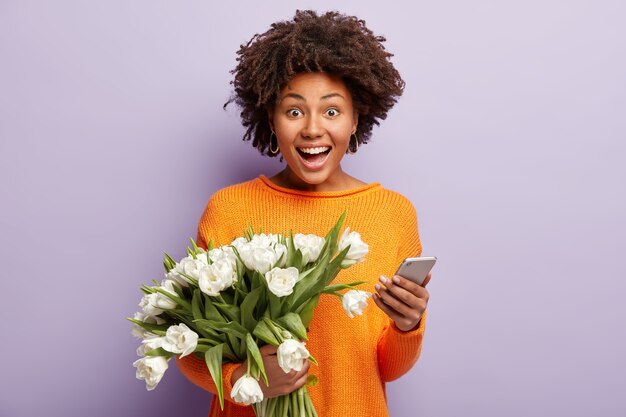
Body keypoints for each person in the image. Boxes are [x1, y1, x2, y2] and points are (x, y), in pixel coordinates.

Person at [176, 10, 431, 417]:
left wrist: (407, 325)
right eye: (294, 111)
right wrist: (244, 379)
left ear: (355, 119)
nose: (313, 129)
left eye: (332, 111)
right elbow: (187, 348)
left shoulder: (392, 214)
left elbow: (386, 368)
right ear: (271, 120)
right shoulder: (228, 209)